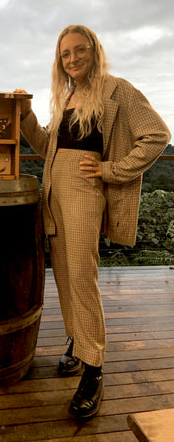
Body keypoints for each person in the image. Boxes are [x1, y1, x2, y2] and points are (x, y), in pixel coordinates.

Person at [15, 24, 171, 421]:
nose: (72, 59)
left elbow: (157, 135)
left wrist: (111, 169)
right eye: (65, 54)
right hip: (53, 195)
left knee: (82, 276)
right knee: (65, 276)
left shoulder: (117, 90)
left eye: (79, 50)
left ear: (94, 50)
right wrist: (26, 115)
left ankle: (95, 368)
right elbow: (47, 146)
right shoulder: (67, 95)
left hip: (85, 196)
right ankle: (77, 344)